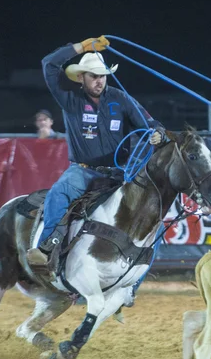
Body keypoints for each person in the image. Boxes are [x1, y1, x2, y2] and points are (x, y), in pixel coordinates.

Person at [26, 35, 166, 272]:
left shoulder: (121, 98)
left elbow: (149, 122)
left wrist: (159, 133)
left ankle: (137, 271)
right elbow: (49, 64)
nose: (99, 81)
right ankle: (47, 247)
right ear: (81, 77)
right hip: (82, 172)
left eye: (102, 76)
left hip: (120, 174)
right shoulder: (70, 99)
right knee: (59, 194)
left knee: (153, 212)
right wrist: (80, 47)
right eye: (94, 76)